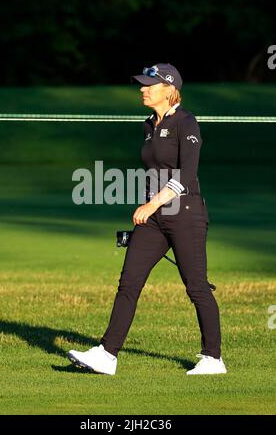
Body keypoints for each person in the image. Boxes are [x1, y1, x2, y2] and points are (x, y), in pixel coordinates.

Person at [68, 63, 227, 376]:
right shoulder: (148, 124)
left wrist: (151, 205)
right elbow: (153, 173)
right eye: (141, 84)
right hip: (155, 217)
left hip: (186, 213)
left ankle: (213, 359)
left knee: (196, 286)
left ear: (168, 89)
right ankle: (107, 354)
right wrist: (148, 207)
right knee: (129, 282)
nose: (142, 89)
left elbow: (186, 174)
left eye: (148, 85)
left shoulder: (186, 122)